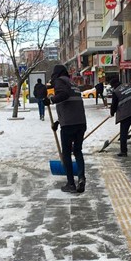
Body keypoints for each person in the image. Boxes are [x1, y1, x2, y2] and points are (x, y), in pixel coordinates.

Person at [44, 65, 87, 193]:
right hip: (80, 123)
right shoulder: (72, 83)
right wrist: (58, 122)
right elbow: (71, 105)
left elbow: (64, 95)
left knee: (66, 153)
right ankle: (81, 178)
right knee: (78, 151)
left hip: (69, 125)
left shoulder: (60, 81)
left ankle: (71, 184)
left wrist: (51, 100)